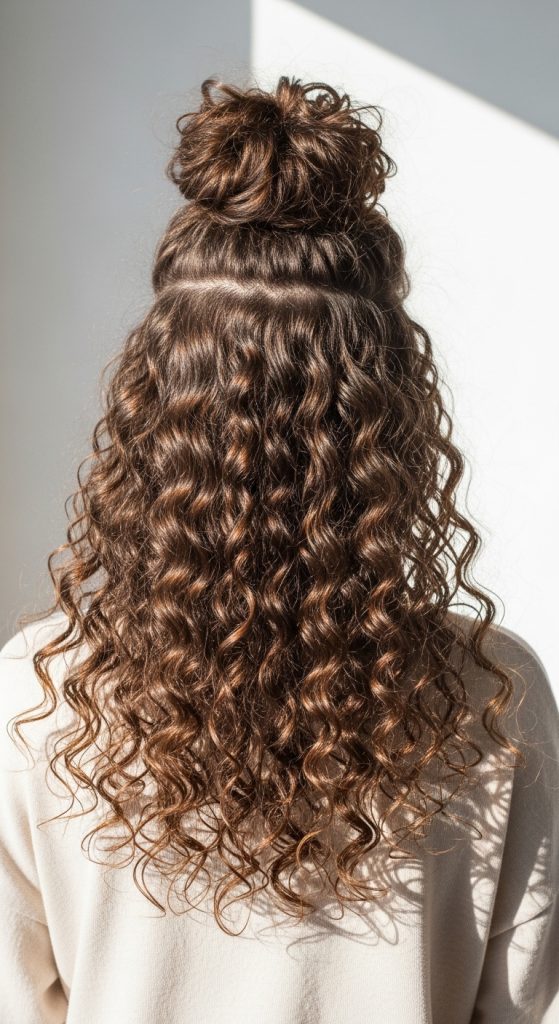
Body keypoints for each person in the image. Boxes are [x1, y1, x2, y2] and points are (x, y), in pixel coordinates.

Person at [0, 75, 558, 1024]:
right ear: (390, 416)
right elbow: (515, 1005)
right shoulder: (493, 695)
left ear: (157, 409)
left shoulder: (40, 697)